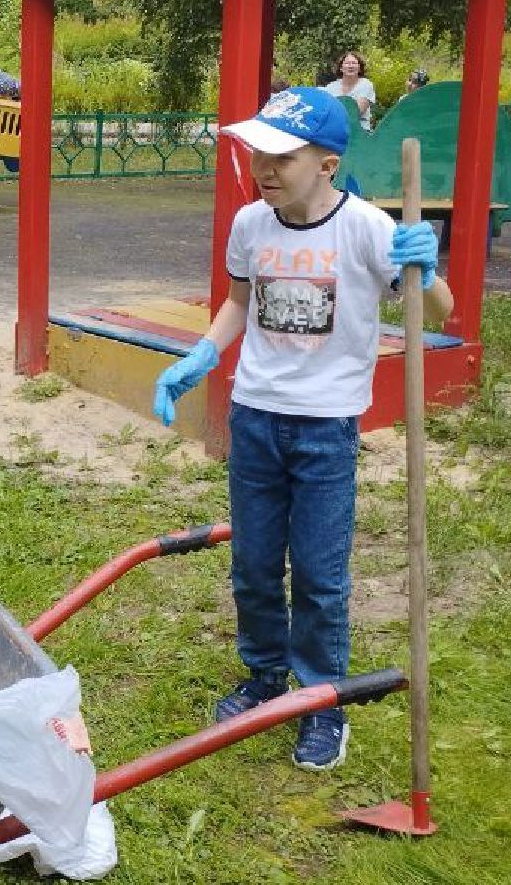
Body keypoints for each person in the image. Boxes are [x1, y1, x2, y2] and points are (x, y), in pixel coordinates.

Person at [151, 86, 450, 771]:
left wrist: (423, 268)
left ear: (327, 163)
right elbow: (236, 303)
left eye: (283, 155)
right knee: (254, 565)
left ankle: (321, 699)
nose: (265, 166)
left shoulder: (370, 230)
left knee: (318, 573)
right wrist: (200, 357)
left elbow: (438, 307)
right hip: (255, 418)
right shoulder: (251, 226)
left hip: (325, 431)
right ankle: (263, 676)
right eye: (258, 151)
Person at [322, 51, 377, 130]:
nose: (350, 66)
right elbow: (324, 110)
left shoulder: (366, 84)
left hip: (359, 131)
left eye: (354, 63)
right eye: (347, 63)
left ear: (359, 68)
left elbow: (357, 111)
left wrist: (333, 112)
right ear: (341, 68)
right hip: (335, 130)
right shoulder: (330, 87)